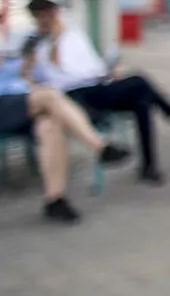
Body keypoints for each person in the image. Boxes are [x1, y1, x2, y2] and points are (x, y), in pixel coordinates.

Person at [23, 0, 170, 186]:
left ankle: (150, 165)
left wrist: (107, 71)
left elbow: (91, 66)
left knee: (142, 100)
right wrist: (35, 58)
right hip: (73, 95)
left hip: (95, 86)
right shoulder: (36, 45)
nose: (45, 21)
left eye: (48, 15)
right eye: (40, 17)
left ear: (56, 13)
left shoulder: (73, 35)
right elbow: (39, 76)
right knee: (139, 81)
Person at [0, 60, 132, 223]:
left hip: (23, 98)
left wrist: (27, 69)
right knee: (49, 95)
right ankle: (100, 147)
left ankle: (55, 199)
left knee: (50, 126)